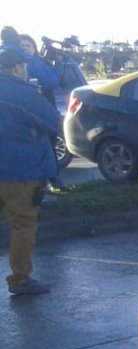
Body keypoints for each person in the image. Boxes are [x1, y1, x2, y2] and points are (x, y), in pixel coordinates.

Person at [0, 43, 59, 295]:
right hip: (20, 170)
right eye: (24, 66)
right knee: (23, 224)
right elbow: (51, 120)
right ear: (16, 69)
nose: (25, 70)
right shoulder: (20, 93)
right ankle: (20, 279)